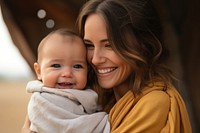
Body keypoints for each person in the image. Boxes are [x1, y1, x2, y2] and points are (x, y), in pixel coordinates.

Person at [22, 0, 192, 133]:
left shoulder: (155, 103)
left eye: (109, 45)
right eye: (89, 45)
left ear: (142, 45)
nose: (95, 59)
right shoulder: (99, 100)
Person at [25, 28, 110, 133]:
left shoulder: (90, 95)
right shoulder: (42, 100)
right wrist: (103, 122)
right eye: (56, 65)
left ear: (88, 71)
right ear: (39, 71)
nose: (67, 73)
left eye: (77, 66)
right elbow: (67, 128)